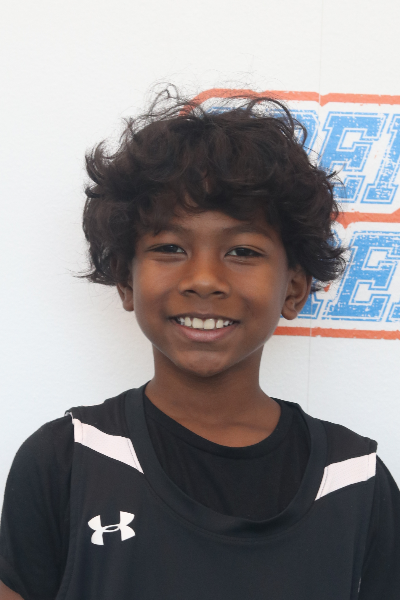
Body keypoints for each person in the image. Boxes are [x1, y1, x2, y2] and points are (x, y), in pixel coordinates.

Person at [0, 89, 399, 600]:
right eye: (170, 247)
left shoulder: (355, 480)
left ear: (294, 289)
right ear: (125, 280)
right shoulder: (65, 461)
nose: (204, 279)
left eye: (242, 251)